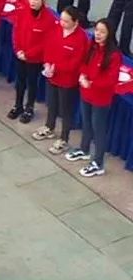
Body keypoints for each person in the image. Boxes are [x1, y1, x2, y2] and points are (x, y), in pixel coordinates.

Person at [67, 18, 122, 177]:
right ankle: (84, 149)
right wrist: (83, 75)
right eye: (97, 30)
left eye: (102, 32)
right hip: (86, 93)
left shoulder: (114, 55)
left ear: (109, 34)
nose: (98, 34)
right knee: (87, 123)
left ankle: (98, 163)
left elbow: (110, 80)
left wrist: (92, 83)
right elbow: (84, 63)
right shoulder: (92, 46)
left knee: (99, 129)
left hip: (100, 98)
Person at [32, 6, 88, 154]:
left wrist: (56, 68)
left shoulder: (81, 38)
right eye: (61, 19)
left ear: (75, 22)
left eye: (66, 21)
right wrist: (47, 64)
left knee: (66, 110)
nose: (62, 23)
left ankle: (64, 138)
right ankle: (49, 127)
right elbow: (48, 48)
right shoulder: (56, 29)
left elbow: (76, 63)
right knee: (52, 103)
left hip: (67, 81)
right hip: (52, 76)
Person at [8, 0, 56, 123]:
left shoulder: (49, 18)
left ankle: (29, 108)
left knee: (32, 83)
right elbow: (16, 31)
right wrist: (18, 50)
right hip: (20, 55)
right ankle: (18, 105)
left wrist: (28, 54)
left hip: (35, 59)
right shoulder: (22, 12)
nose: (33, 2)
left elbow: (46, 42)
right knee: (20, 81)